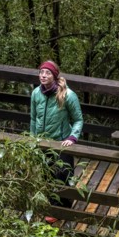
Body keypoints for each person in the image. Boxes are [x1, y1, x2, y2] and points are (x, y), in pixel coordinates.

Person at [30, 60, 84, 224]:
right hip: (43, 141)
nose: (43, 75)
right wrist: (33, 138)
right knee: (47, 174)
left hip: (61, 142)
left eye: (47, 73)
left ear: (54, 76)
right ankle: (51, 207)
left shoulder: (68, 95)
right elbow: (33, 118)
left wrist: (72, 137)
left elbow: (78, 120)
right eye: (41, 72)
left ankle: (63, 209)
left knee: (63, 176)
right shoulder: (36, 94)